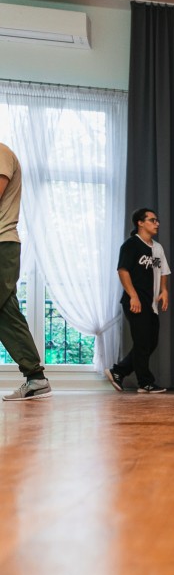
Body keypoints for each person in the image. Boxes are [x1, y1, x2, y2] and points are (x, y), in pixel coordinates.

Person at [0, 142, 51, 401]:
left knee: (5, 310)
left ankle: (36, 377)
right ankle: (35, 377)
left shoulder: (0, 152)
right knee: (6, 312)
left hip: (1, 243)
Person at [105, 208, 172, 393]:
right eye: (152, 220)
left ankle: (118, 371)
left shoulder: (157, 248)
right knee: (142, 342)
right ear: (140, 223)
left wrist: (164, 290)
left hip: (151, 304)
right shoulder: (131, 245)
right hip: (135, 302)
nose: (157, 223)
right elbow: (123, 271)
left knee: (150, 342)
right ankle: (145, 382)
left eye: (157, 220)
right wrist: (133, 296)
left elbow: (164, 270)